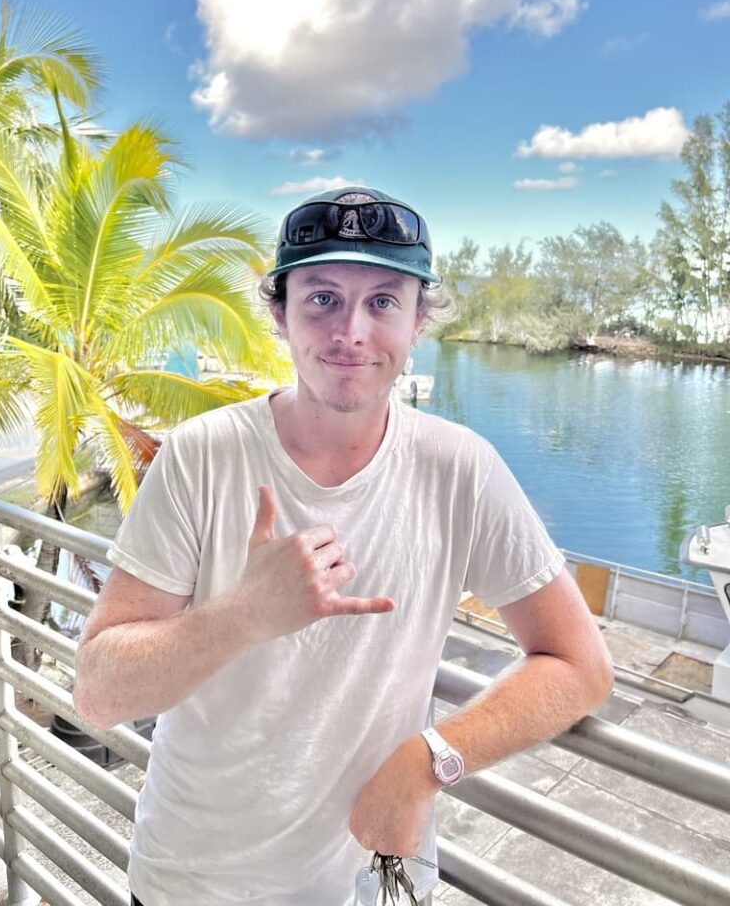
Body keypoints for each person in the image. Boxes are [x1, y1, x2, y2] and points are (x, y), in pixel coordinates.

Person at [73, 186, 614, 906]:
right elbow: (99, 693)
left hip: (370, 881)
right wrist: (242, 617)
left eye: (383, 302)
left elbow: (580, 665)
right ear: (281, 315)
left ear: (419, 320)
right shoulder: (204, 455)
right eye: (322, 299)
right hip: (194, 881)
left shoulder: (461, 468)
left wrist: (432, 758)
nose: (350, 332)